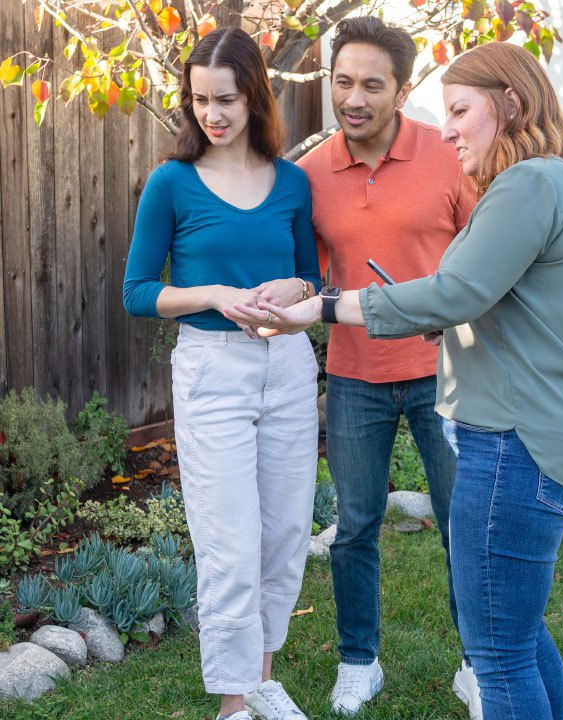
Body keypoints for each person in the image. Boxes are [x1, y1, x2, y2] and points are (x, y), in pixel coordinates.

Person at [225, 41, 563, 720]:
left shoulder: (525, 183)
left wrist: (321, 308)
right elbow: (520, 310)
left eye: (461, 110)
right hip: (548, 436)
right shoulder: (560, 182)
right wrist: (461, 322)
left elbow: (454, 290)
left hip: (515, 445)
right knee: (518, 639)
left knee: (496, 654)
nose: (448, 129)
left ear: (512, 104)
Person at [123, 27, 321, 720]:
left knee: (283, 536)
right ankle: (233, 705)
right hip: (214, 371)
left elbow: (312, 283)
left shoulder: (292, 181)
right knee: (230, 543)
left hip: (288, 368)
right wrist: (213, 295)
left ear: (255, 96)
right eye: (201, 99)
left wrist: (284, 294)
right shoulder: (171, 184)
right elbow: (138, 290)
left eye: (227, 100)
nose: (213, 113)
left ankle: (263, 680)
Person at [295, 16, 480, 718]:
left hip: (450, 373)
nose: (355, 98)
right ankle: (358, 660)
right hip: (353, 377)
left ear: (402, 90)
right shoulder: (311, 174)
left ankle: (478, 661)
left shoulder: (447, 156)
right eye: (343, 82)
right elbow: (303, 279)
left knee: (465, 522)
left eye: (372, 84)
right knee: (356, 522)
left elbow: (487, 258)